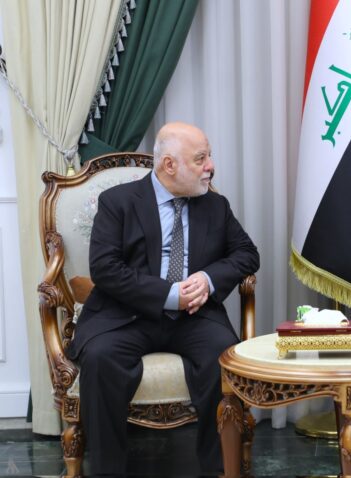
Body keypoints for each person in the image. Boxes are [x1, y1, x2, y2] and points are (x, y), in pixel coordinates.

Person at [67, 122, 260, 476]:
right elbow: (106, 268)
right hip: (127, 315)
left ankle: (220, 468)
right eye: (200, 159)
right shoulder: (118, 202)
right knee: (100, 358)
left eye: (209, 156)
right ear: (169, 165)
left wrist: (208, 278)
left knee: (224, 356)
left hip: (195, 318)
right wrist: (170, 295)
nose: (211, 166)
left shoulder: (215, 205)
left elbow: (247, 254)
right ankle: (107, 471)